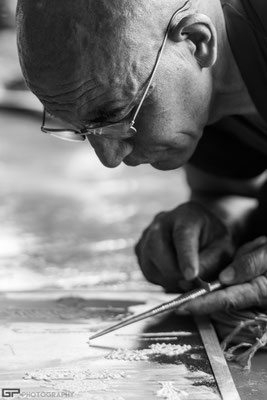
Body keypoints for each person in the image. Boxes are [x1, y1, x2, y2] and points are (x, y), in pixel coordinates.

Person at [16, 0, 267, 315]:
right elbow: (233, 193)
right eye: (82, 128)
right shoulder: (202, 97)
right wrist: (216, 224)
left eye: (119, 115)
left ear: (196, 41)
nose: (109, 158)